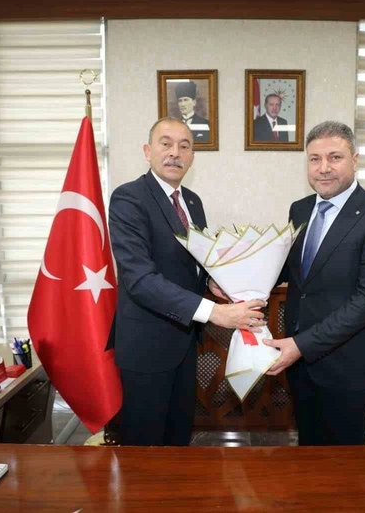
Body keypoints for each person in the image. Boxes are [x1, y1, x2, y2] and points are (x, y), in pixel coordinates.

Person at [108, 118, 265, 446]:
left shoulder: (192, 202)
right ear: (147, 151)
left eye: (184, 146)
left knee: (179, 437)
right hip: (146, 347)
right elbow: (140, 279)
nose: (175, 153)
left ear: (192, 156)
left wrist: (212, 283)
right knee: (145, 447)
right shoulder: (129, 199)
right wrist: (216, 312)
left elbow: (192, 263)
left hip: (184, 342)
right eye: (165, 144)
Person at [265, 121, 365, 446]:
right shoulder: (300, 209)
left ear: (354, 160)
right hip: (300, 363)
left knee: (345, 463)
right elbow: (292, 270)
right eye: (315, 159)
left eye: (334, 157)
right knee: (308, 450)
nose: (323, 168)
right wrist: (233, 280)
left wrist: (300, 345)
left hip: (348, 364)